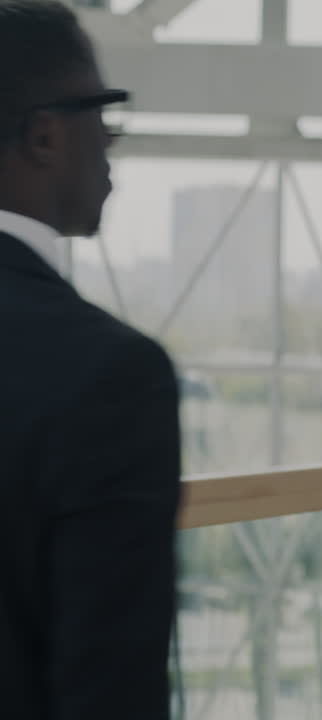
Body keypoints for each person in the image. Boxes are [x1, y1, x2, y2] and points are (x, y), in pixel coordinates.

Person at [0, 2, 181, 718]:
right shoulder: (109, 377)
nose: (111, 141)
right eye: (101, 112)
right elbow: (110, 692)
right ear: (44, 135)